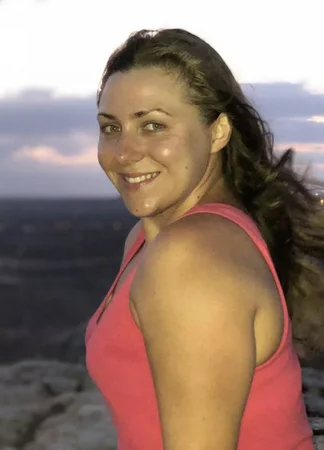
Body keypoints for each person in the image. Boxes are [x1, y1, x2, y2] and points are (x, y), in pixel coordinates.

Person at [85, 28, 324, 450]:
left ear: (217, 133)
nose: (123, 152)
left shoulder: (190, 258)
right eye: (111, 128)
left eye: (153, 125)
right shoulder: (148, 240)